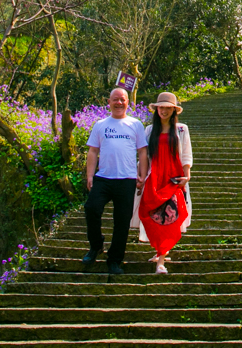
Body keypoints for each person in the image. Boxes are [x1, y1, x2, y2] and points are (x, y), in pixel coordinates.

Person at [83, 87, 146, 275]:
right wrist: (89, 175)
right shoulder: (100, 124)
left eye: (123, 99)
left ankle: (115, 259)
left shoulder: (135, 125)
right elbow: (93, 151)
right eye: (115, 99)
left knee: (122, 221)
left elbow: (142, 151)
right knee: (91, 209)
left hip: (127, 179)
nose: (119, 102)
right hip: (103, 178)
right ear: (109, 102)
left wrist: (142, 174)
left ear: (128, 103)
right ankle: (96, 246)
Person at [135, 91, 193, 274]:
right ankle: (160, 249)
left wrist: (186, 176)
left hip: (173, 179)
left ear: (174, 110)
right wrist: (141, 176)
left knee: (170, 217)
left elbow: (186, 154)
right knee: (152, 215)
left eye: (168, 108)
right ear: (156, 109)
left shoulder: (181, 129)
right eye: (161, 107)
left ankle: (161, 260)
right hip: (154, 177)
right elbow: (144, 155)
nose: (164, 111)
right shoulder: (150, 130)